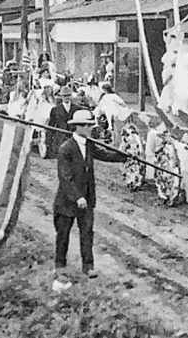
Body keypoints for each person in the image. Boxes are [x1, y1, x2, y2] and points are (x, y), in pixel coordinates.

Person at [53, 110, 128, 278]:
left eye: (90, 125)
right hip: (67, 201)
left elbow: (106, 155)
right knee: (63, 234)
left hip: (87, 199)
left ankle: (88, 266)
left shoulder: (89, 145)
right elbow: (65, 178)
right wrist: (77, 197)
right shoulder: (65, 149)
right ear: (77, 127)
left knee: (87, 232)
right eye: (86, 125)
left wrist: (124, 156)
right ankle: (60, 266)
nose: (89, 128)